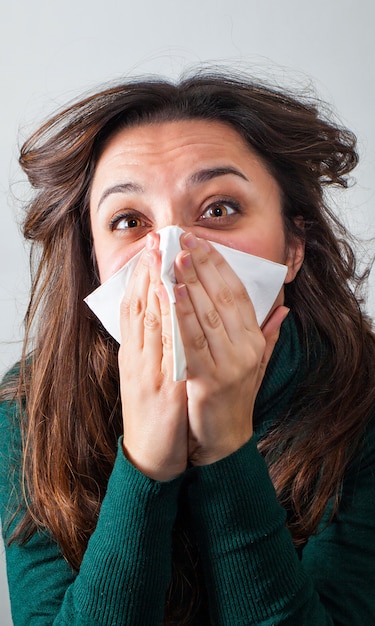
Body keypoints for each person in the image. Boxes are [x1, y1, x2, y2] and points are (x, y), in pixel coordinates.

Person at [0, 70, 374, 626]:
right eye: (129, 220)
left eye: (218, 209)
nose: (174, 253)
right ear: (95, 263)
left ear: (293, 247)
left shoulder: (364, 395)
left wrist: (226, 447)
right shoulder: (31, 408)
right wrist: (147, 462)